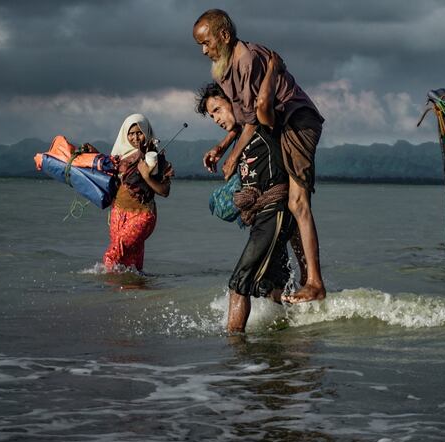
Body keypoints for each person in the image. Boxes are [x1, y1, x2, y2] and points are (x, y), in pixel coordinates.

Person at [193, 9, 326, 302]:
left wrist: (232, 155)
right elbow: (244, 118)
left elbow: (262, 113)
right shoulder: (226, 68)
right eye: (200, 45)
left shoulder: (247, 59)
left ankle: (315, 282)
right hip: (279, 124)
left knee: (297, 201)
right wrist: (223, 146)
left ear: (224, 36)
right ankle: (304, 280)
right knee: (289, 207)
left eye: (206, 43)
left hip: (297, 121)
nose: (204, 50)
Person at [196, 56, 296, 332]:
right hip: (264, 217)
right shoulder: (241, 137)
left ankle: (235, 353)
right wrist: (221, 146)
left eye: (217, 110)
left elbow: (259, 107)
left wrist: (272, 68)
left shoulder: (264, 125)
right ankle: (292, 344)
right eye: (212, 115)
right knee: (271, 285)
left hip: (275, 212)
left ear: (234, 103)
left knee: (238, 284)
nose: (215, 118)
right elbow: (239, 129)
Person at [97, 114, 173, 272]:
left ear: (147, 132)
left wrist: (146, 175)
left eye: (139, 132)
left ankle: (104, 287)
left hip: (142, 215)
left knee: (113, 255)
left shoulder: (156, 158)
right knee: (131, 263)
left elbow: (165, 191)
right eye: (131, 133)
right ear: (125, 134)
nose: (135, 137)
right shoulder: (119, 157)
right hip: (118, 213)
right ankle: (133, 291)